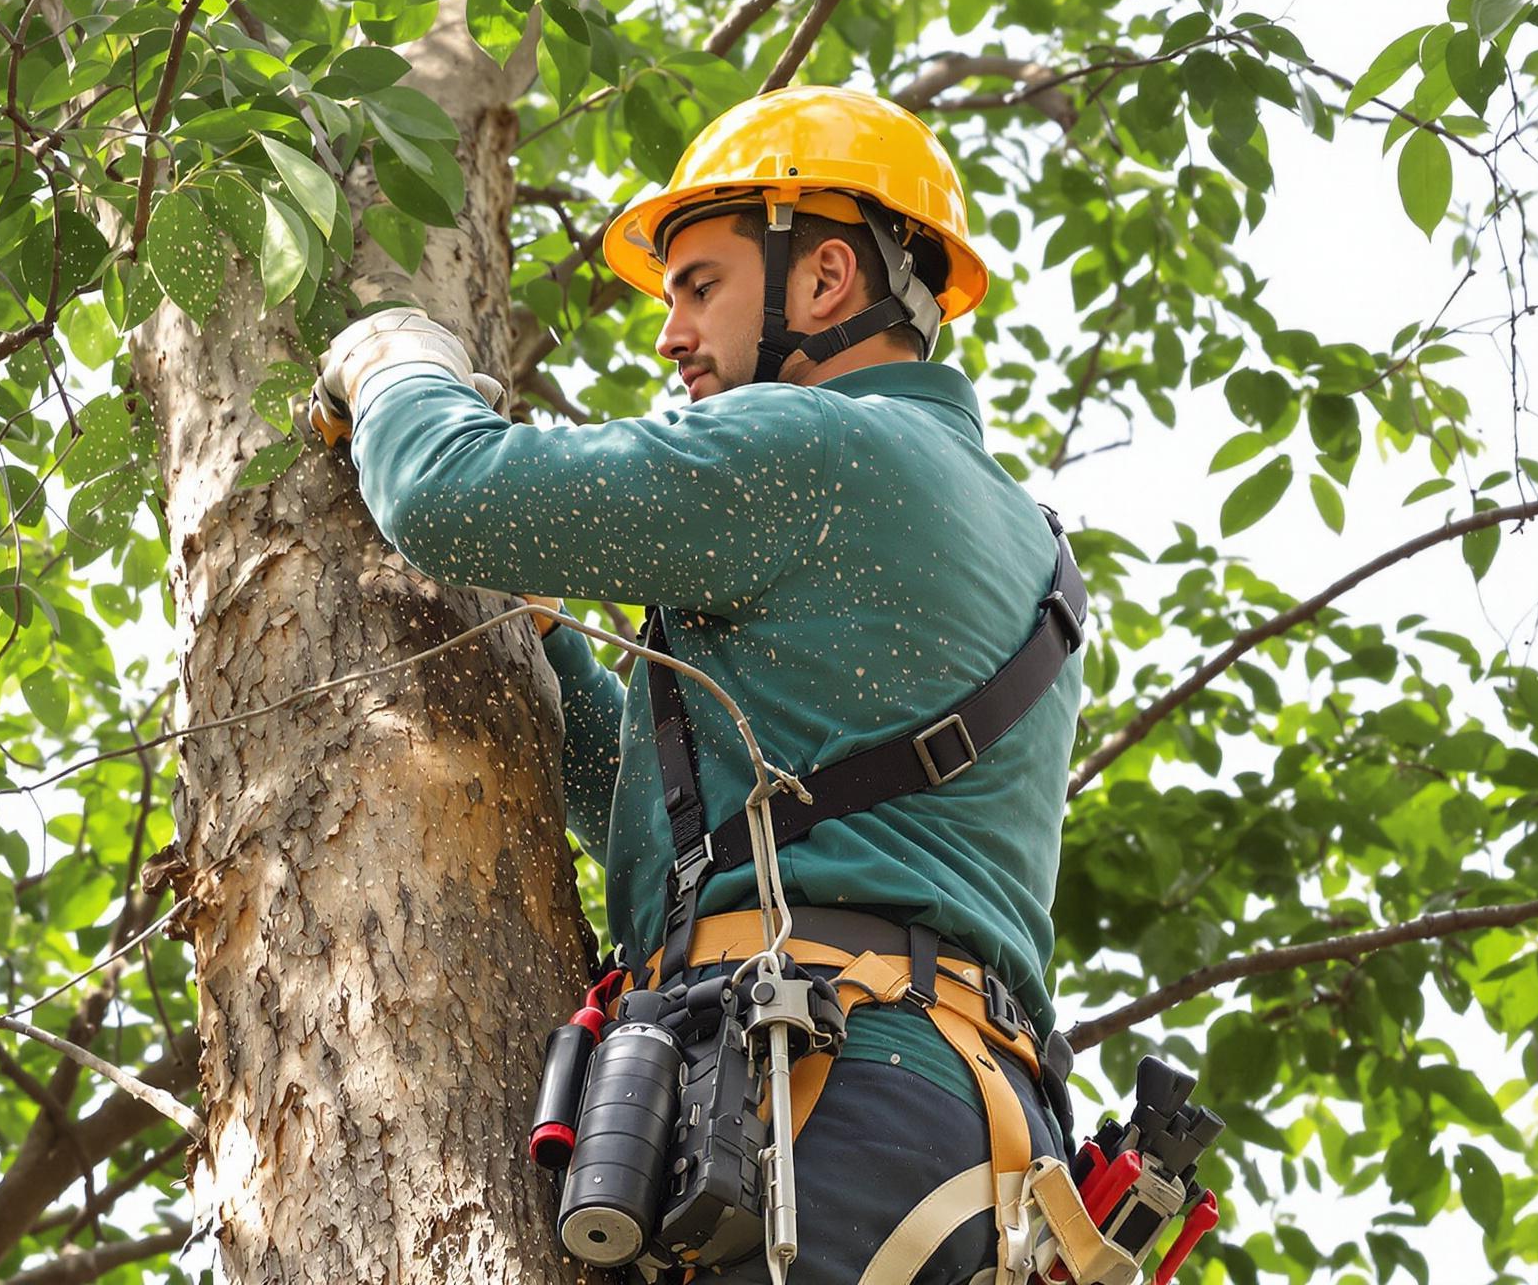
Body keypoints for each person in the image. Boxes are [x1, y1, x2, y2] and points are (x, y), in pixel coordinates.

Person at [315, 85, 1087, 1284]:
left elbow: (445, 497)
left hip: (828, 1094)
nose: (670, 335)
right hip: (956, 1137)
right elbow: (685, 818)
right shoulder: (1021, 541)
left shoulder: (821, 445)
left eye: (699, 285)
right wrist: (547, 648)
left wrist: (396, 365)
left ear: (825, 279)